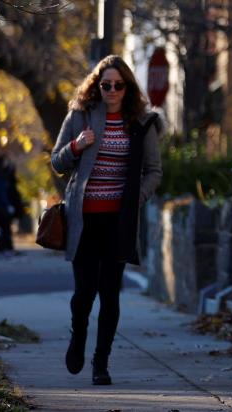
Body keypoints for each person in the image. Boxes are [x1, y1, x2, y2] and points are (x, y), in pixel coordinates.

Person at [50, 55, 163, 387]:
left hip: (119, 222)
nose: (112, 90)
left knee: (110, 292)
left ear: (127, 87)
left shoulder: (143, 123)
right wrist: (76, 145)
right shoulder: (80, 116)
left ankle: (101, 362)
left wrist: (135, 199)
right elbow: (57, 162)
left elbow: (154, 172)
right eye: (105, 85)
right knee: (84, 292)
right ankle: (78, 335)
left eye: (118, 85)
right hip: (83, 221)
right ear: (96, 87)